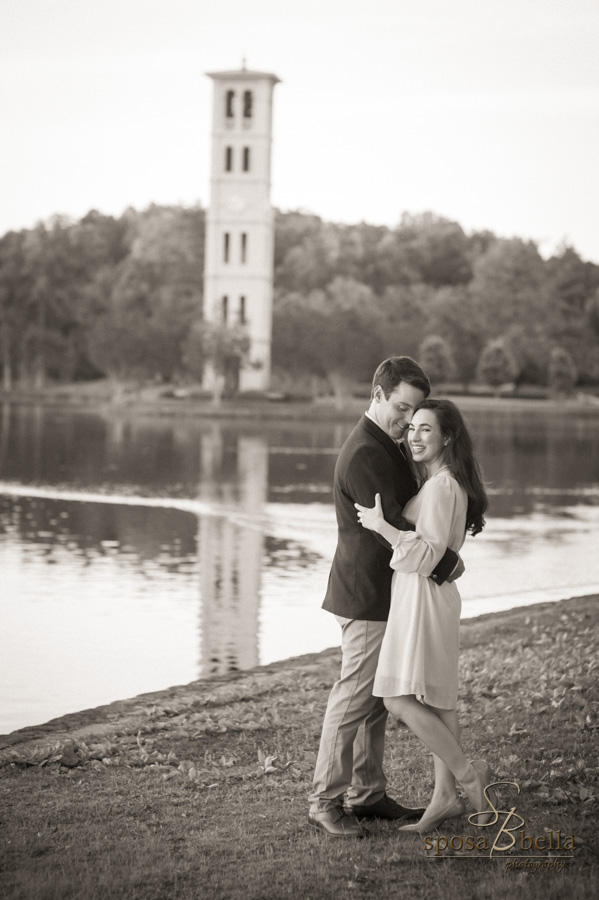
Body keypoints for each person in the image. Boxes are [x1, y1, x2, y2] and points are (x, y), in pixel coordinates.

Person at [308, 358, 463, 838]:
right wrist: (446, 563)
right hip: (366, 593)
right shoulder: (365, 455)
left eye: (414, 413)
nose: (406, 422)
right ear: (377, 394)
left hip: (387, 590)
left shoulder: (387, 445)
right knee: (354, 697)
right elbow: (392, 528)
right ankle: (324, 801)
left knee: (376, 701)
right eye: (400, 408)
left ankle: (367, 794)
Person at [355, 398, 495, 832]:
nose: (414, 436)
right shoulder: (444, 482)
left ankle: (470, 778)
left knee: (397, 697)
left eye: (426, 429)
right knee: (438, 700)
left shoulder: (440, 487)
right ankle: (443, 800)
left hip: (425, 596)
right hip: (432, 595)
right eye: (411, 427)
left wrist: (384, 527)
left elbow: (430, 553)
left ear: (447, 438)